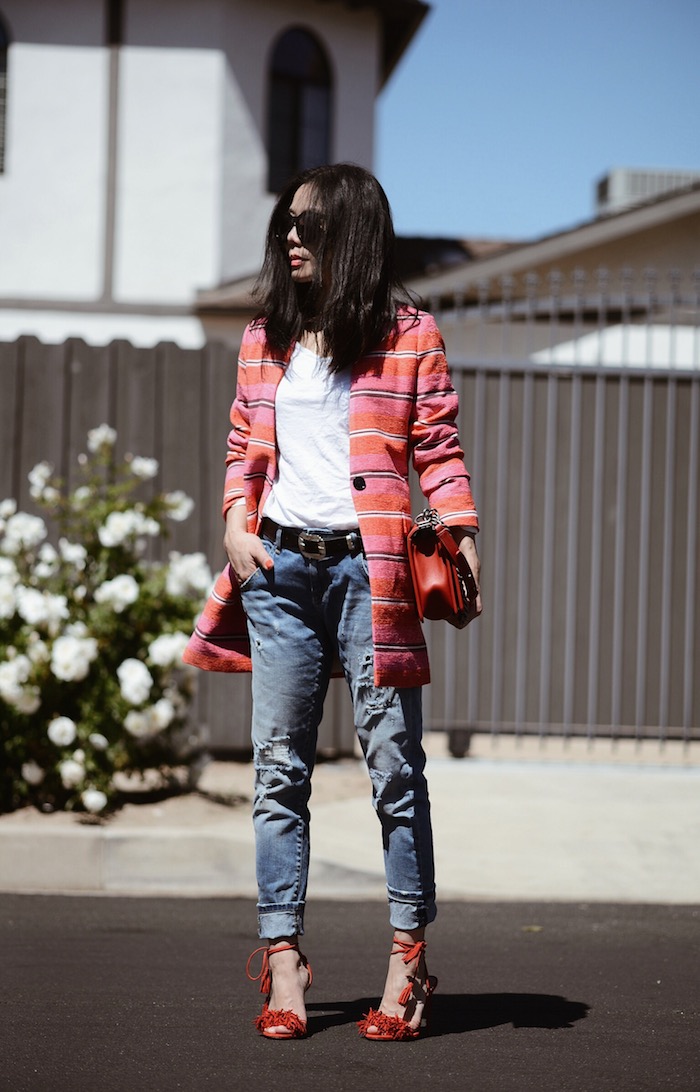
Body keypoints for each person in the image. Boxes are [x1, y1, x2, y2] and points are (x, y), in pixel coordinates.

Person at [183, 163, 481, 1041]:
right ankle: (283, 960)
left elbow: (436, 444)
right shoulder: (264, 337)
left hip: (372, 579)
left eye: (311, 226)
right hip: (278, 576)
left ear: (352, 235)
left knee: (394, 770)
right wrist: (237, 523)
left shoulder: (407, 334)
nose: (292, 236)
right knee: (278, 771)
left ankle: (408, 961)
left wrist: (461, 530)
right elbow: (245, 441)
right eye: (288, 223)